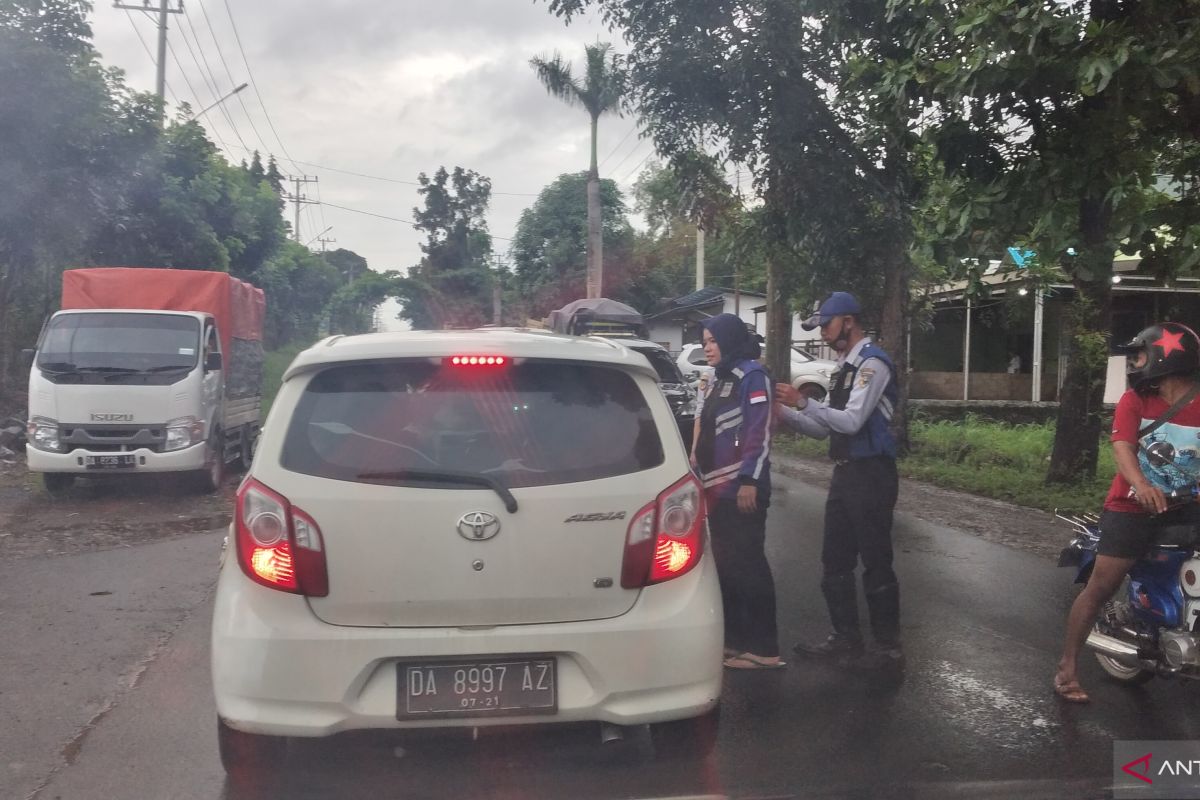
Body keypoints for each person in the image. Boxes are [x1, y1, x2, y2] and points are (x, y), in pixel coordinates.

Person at [1054, 322, 1200, 703]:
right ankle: (1067, 667)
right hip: (1132, 506)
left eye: (1139, 354)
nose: (1135, 362)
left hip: (1188, 506)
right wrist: (1142, 485)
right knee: (1100, 586)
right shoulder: (1135, 401)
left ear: (1165, 357)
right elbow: (1123, 448)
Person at [773, 292, 903, 672]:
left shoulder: (872, 365)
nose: (825, 336)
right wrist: (783, 411)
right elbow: (821, 429)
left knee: (876, 560)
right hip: (846, 471)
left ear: (848, 320)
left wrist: (803, 402)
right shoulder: (844, 368)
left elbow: (851, 422)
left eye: (827, 326)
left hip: (873, 473)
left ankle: (888, 646)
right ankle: (845, 638)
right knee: (835, 559)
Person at [693, 314, 783, 669]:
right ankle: (734, 642)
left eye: (712, 341)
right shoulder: (718, 378)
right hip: (717, 490)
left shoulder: (752, 376)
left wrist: (749, 480)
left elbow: (758, 432)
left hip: (742, 489)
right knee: (728, 566)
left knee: (750, 566)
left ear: (729, 340)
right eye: (704, 342)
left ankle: (764, 649)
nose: (707, 348)